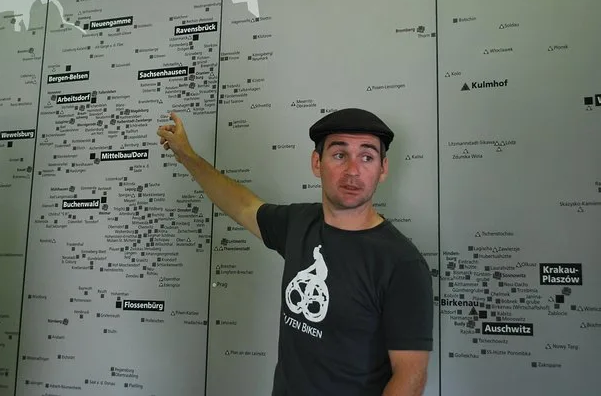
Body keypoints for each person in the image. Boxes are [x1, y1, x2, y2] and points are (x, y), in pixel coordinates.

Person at [157, 108, 433, 396]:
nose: (353, 170)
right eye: (340, 155)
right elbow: (242, 205)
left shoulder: (402, 264)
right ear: (317, 163)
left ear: (383, 169)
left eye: (367, 157)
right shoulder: (299, 223)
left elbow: (410, 377)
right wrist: (186, 154)